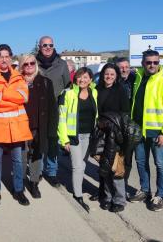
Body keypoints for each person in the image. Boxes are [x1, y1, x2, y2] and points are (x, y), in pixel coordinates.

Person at [128, 50, 163, 211]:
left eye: (155, 62)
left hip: (158, 133)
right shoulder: (137, 77)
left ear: (159, 63)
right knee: (141, 163)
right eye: (149, 62)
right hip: (138, 131)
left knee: (161, 164)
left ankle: (159, 196)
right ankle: (144, 190)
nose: (152, 65)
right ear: (143, 63)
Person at [0, 44, 32, 206]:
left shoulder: (18, 76)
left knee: (18, 160)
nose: (4, 59)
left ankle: (19, 191)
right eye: (1, 56)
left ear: (11, 57)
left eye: (7, 56)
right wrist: (13, 100)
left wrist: (3, 93)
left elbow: (24, 97)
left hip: (16, 126)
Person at [58, 67, 97, 212]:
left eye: (86, 77)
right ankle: (78, 194)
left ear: (90, 80)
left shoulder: (94, 92)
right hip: (73, 136)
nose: (82, 80)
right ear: (75, 78)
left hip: (89, 135)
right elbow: (61, 117)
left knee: (83, 164)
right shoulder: (67, 94)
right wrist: (64, 139)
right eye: (80, 77)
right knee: (78, 166)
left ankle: (78, 187)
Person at [19, 54, 57, 198]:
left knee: (36, 156)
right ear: (21, 66)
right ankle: (21, 182)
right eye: (26, 64)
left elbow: (53, 108)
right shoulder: (16, 82)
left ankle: (34, 183)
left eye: (32, 63)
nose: (29, 66)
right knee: (21, 157)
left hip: (39, 126)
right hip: (20, 126)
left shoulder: (46, 82)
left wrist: (51, 130)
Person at [36, 35, 70, 187]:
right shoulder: (33, 63)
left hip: (55, 109)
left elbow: (67, 87)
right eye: (45, 45)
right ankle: (37, 170)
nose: (48, 48)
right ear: (40, 47)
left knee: (52, 143)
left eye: (50, 45)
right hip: (37, 109)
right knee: (37, 141)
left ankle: (51, 172)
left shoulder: (61, 64)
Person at [95, 63, 130, 212]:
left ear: (116, 77)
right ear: (103, 75)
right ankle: (107, 197)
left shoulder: (120, 90)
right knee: (105, 166)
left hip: (117, 134)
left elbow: (125, 113)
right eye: (106, 74)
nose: (109, 77)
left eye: (112, 74)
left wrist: (115, 127)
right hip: (101, 134)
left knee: (116, 168)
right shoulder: (97, 90)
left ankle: (120, 200)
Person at [115, 57, 137, 192]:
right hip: (116, 125)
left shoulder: (136, 80)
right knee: (113, 157)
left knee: (128, 157)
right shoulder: (112, 81)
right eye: (121, 67)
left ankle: (123, 184)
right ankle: (107, 187)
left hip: (131, 125)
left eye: (126, 66)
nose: (124, 69)